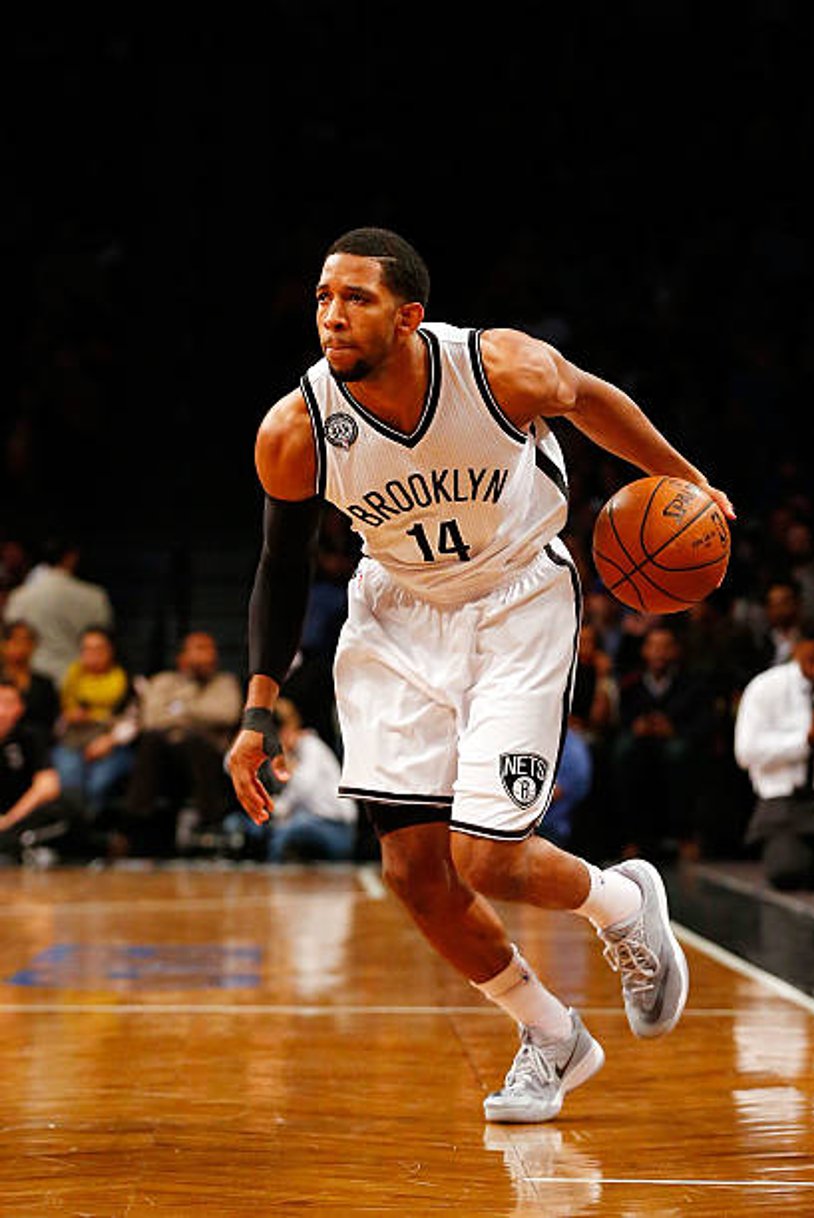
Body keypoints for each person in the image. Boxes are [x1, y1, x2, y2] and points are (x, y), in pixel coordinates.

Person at [227, 227, 734, 1124]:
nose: (333, 316)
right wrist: (258, 710)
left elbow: (592, 399)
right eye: (322, 298)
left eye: (356, 299)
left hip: (516, 599)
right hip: (395, 614)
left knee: (487, 858)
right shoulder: (297, 429)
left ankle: (621, 901)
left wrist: (689, 482)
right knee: (417, 875)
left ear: (410, 315)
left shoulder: (499, 368)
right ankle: (551, 1036)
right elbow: (283, 566)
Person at [734, 634, 814, 891]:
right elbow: (746, 752)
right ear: (798, 651)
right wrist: (803, 740)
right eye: (812, 661)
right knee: (788, 871)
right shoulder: (765, 686)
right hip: (782, 800)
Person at [121, 631, 242, 855]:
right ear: (182, 657)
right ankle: (135, 826)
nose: (207, 655)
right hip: (164, 757)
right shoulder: (163, 680)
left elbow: (227, 714)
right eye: (199, 648)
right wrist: (194, 712)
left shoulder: (225, 682)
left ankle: (210, 821)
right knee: (153, 740)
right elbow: (152, 719)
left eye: (209, 649)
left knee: (192, 741)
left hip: (209, 757)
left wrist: (180, 709)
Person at [610, 625, 718, 861]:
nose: (660, 653)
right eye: (654, 647)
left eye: (666, 647)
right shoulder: (631, 684)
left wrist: (673, 730)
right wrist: (638, 727)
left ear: (676, 651)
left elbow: (703, 723)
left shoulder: (692, 684)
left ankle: (684, 836)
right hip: (641, 746)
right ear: (645, 651)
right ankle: (634, 838)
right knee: (624, 753)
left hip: (678, 743)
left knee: (679, 755)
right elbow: (621, 720)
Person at [225, 697, 357, 862]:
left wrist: (276, 809)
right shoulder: (276, 753)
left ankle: (272, 882)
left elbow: (303, 788)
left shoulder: (311, 745)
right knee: (236, 824)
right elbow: (228, 765)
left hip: (336, 828)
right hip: (298, 820)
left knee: (285, 832)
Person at [51, 626, 136, 821]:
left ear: (111, 650)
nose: (93, 655)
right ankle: (72, 828)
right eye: (87, 649)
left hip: (112, 744)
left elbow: (135, 722)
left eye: (99, 649)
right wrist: (68, 717)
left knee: (98, 781)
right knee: (70, 775)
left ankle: (91, 830)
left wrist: (109, 740)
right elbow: (56, 725)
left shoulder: (126, 680)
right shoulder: (72, 678)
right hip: (72, 741)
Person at [3, 537, 114, 686]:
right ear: (71, 557)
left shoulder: (20, 596)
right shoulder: (94, 597)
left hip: (78, 684)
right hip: (43, 681)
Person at [0, 679, 71, 863]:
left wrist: (8, 820)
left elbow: (48, 787)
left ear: (20, 708)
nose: (0, 711)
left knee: (65, 808)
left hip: (22, 815)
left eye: (7, 703)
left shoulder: (32, 736)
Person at [0, 620, 60, 746]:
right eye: (15, 641)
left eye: (27, 641)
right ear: (4, 644)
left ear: (34, 646)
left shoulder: (45, 683)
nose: (21, 647)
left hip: (38, 746)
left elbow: (52, 720)